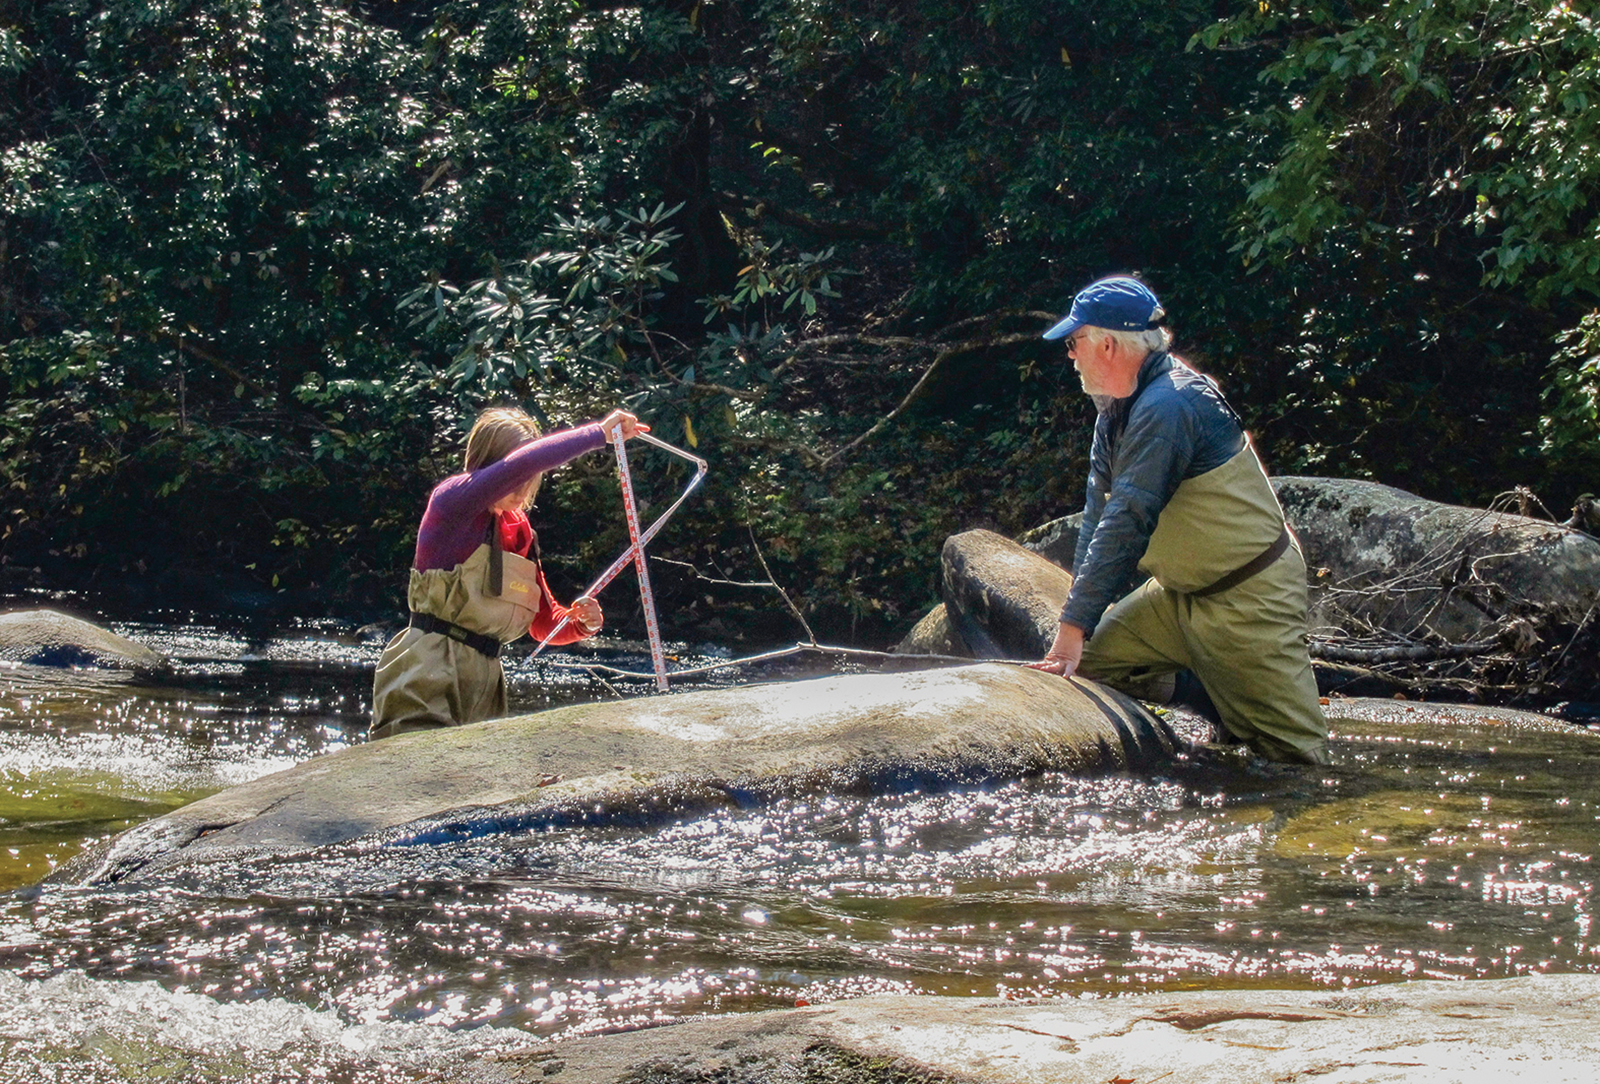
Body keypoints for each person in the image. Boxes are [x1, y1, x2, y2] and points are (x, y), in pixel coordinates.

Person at [1029, 276, 1329, 765]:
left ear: (1107, 344)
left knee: (1296, 761)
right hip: (1179, 598)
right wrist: (1074, 627)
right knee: (1093, 666)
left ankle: (1237, 696)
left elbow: (1128, 519)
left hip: (1248, 598)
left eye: (1074, 342)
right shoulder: (1115, 411)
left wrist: (1072, 627)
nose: (1070, 355)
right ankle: (1216, 693)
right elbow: (1098, 520)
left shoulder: (1169, 405)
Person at [370, 405, 648, 739]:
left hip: (486, 682)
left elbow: (545, 623)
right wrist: (598, 434)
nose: (521, 490)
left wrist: (582, 624)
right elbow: (524, 462)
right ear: (488, 468)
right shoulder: (452, 502)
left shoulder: (520, 530)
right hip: (427, 667)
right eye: (514, 479)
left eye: (529, 482)